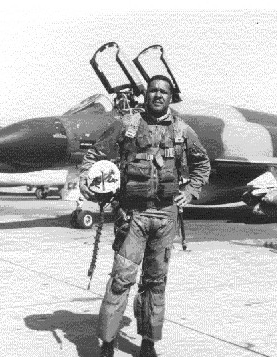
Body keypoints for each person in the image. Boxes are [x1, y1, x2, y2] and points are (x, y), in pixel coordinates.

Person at [79, 75, 210, 357]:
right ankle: (108, 342)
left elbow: (202, 164)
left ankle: (148, 343)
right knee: (121, 279)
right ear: (145, 95)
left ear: (170, 97)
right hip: (133, 215)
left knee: (155, 281)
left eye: (164, 92)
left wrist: (190, 191)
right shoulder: (127, 126)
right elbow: (94, 155)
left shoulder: (183, 130)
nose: (158, 95)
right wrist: (86, 181)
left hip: (165, 217)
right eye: (153, 91)